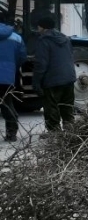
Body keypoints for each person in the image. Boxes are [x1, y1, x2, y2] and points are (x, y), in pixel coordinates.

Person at [32, 16, 76, 133]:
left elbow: (41, 64)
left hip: (52, 80)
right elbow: (71, 56)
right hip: (69, 78)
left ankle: (55, 134)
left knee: (51, 108)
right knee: (67, 107)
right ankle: (70, 132)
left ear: (42, 27)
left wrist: (36, 82)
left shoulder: (44, 41)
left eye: (38, 26)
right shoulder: (66, 39)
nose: (37, 28)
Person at [0, 13, 26, 142]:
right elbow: (22, 57)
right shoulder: (16, 37)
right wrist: (11, 68)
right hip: (7, 76)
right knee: (7, 103)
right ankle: (11, 133)